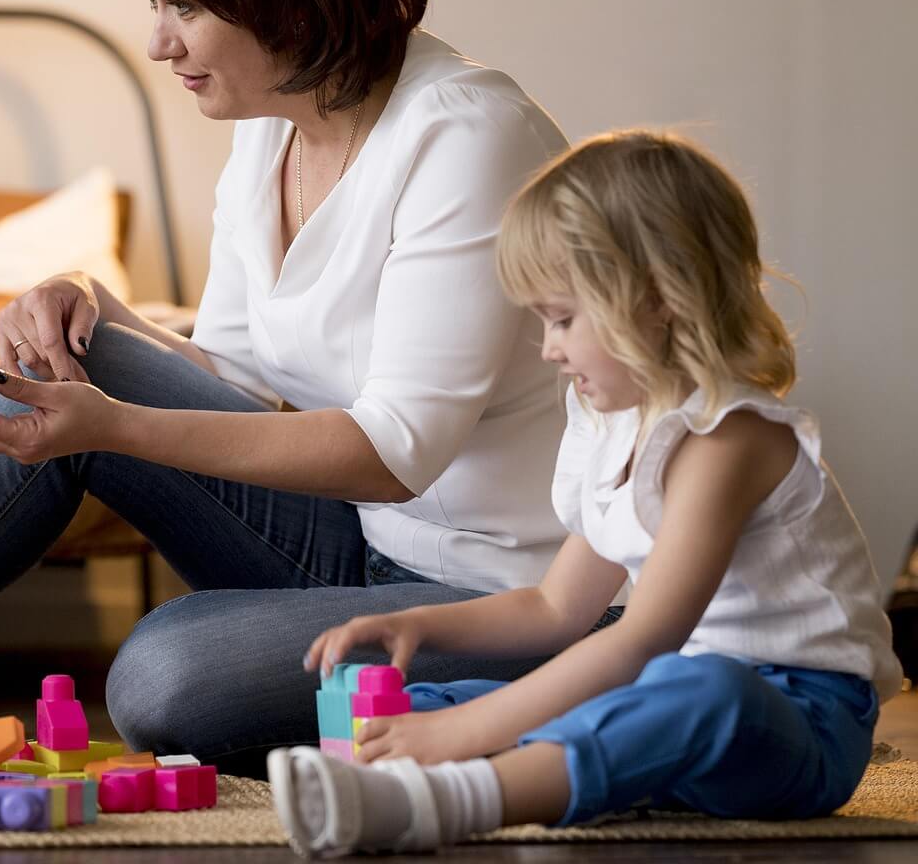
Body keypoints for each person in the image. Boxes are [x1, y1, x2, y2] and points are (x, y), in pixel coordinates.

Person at [0, 0, 582, 772]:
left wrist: (111, 427)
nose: (156, 42)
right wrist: (96, 302)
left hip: (504, 593)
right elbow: (243, 377)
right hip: (354, 548)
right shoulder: (271, 127)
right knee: (59, 354)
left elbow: (394, 455)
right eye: (153, 2)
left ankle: (532, 696)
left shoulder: (465, 136)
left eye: (183, 5)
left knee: (162, 675)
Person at [270, 131, 902, 856]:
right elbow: (555, 607)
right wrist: (421, 627)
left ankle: (455, 801)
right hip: (669, 692)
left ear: (659, 299)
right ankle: (382, 777)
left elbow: (644, 637)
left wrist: (464, 738)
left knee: (698, 696)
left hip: (799, 721)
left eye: (563, 318)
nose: (548, 349)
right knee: (437, 706)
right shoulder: (613, 427)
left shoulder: (730, 439)